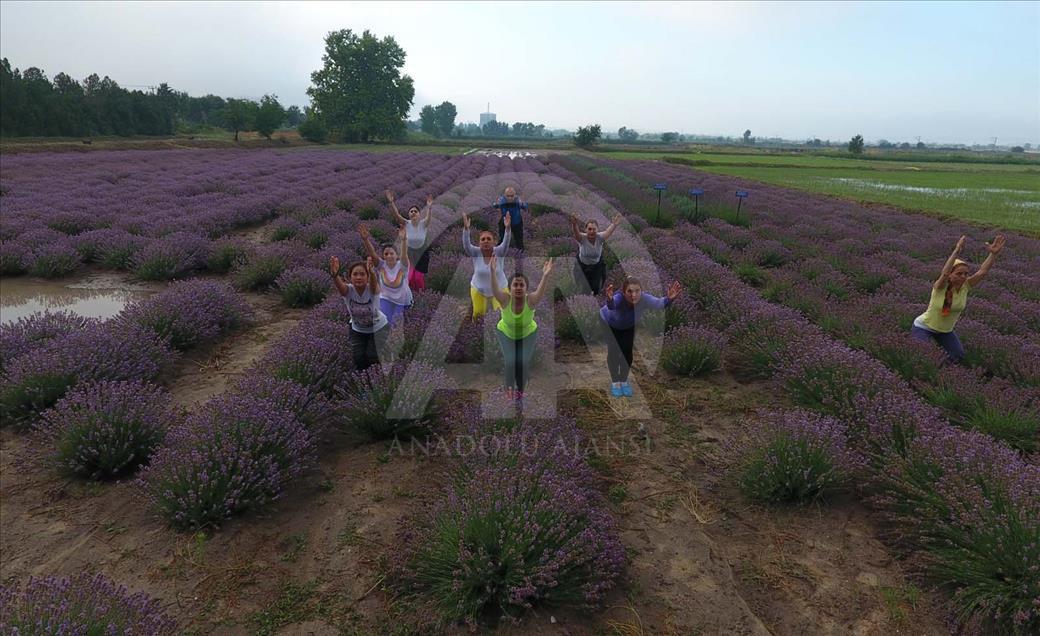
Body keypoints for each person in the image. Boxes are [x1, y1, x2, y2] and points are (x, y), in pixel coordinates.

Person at [910, 234, 1005, 363]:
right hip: (924, 326)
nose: (963, 276)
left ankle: (940, 373)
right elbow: (944, 273)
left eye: (966, 274)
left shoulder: (966, 286)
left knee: (957, 355)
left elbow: (982, 272)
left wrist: (993, 254)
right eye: (959, 273)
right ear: (950, 274)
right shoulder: (941, 286)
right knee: (922, 355)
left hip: (945, 331)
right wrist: (957, 250)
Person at [600, 276, 683, 398]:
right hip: (609, 323)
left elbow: (658, 304)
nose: (634, 295)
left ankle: (623, 381)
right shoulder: (619, 298)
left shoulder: (644, 298)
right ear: (624, 292)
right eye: (629, 291)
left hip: (628, 324)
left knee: (627, 350)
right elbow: (613, 305)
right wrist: (609, 299)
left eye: (637, 291)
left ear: (641, 290)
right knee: (614, 351)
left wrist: (669, 299)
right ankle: (615, 382)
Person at [488, 255, 555, 400]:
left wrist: (545, 275)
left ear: (526, 288)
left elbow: (540, 292)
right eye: (515, 285)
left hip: (528, 334)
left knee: (523, 362)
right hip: (506, 333)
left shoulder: (530, 300)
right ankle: (509, 388)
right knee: (511, 360)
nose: (518, 288)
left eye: (521, 285)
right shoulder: (505, 299)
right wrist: (492, 272)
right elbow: (494, 290)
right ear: (510, 287)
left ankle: (520, 391)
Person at [329, 255, 390, 372]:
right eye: (355, 274)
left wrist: (372, 273)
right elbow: (340, 287)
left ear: (367, 277)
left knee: (373, 357)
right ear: (350, 277)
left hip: (379, 329)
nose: (358, 277)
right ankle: (363, 381)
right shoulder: (348, 291)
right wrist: (335, 275)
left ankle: (377, 379)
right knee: (358, 358)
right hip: (357, 330)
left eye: (362, 274)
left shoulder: (372, 290)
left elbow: (373, 284)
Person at [358, 223, 412, 327]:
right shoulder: (381, 265)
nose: (389, 256)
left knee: (396, 325)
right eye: (386, 254)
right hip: (386, 297)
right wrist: (365, 240)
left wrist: (404, 240)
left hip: (402, 300)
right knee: (383, 321)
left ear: (397, 255)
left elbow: (404, 254)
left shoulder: (402, 265)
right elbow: (372, 253)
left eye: (392, 253)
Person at [462, 211, 512, 318]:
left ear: (494, 242)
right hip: (479, 289)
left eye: (489, 239)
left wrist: (507, 229)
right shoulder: (475, 252)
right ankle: (475, 332)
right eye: (483, 239)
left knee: (502, 313)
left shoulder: (499, 251)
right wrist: (466, 230)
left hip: (500, 289)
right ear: (479, 243)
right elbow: (466, 246)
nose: (486, 241)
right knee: (478, 314)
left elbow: (506, 242)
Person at [387, 190, 433, 291]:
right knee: (410, 277)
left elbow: (429, 218)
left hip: (422, 254)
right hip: (409, 254)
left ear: (419, 214)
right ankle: (411, 296)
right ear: (409, 214)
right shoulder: (407, 224)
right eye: (411, 211)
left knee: (418, 278)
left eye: (415, 211)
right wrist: (391, 202)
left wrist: (429, 207)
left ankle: (421, 295)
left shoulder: (423, 224)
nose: (413, 213)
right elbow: (397, 216)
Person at [569, 213, 622, 295]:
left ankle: (595, 302)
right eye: (589, 229)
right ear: (586, 230)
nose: (592, 231)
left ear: (597, 230)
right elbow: (576, 233)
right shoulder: (582, 238)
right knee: (582, 289)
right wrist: (574, 224)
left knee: (596, 288)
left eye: (594, 229)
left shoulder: (600, 237)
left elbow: (608, 232)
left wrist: (614, 224)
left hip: (596, 266)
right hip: (582, 265)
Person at [494, 186, 527, 251]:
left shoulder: (518, 200)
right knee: (501, 239)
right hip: (504, 222)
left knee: (519, 241)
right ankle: (497, 253)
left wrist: (522, 203)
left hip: (516, 222)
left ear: (515, 195)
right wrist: (496, 203)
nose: (510, 198)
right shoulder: (502, 200)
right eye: (508, 196)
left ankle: (521, 255)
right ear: (504, 195)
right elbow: (495, 205)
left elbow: (525, 207)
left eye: (512, 196)